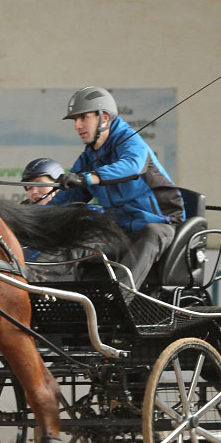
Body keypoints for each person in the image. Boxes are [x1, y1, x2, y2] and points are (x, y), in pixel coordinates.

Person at [50, 86, 184, 290]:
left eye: (83, 118)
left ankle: (118, 298)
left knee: (151, 233)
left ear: (103, 118)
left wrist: (89, 178)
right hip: (121, 231)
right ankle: (57, 294)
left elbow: (132, 166)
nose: (77, 126)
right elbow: (64, 201)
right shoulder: (88, 157)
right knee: (78, 239)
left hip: (162, 225)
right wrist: (30, 213)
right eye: (75, 120)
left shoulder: (131, 142)